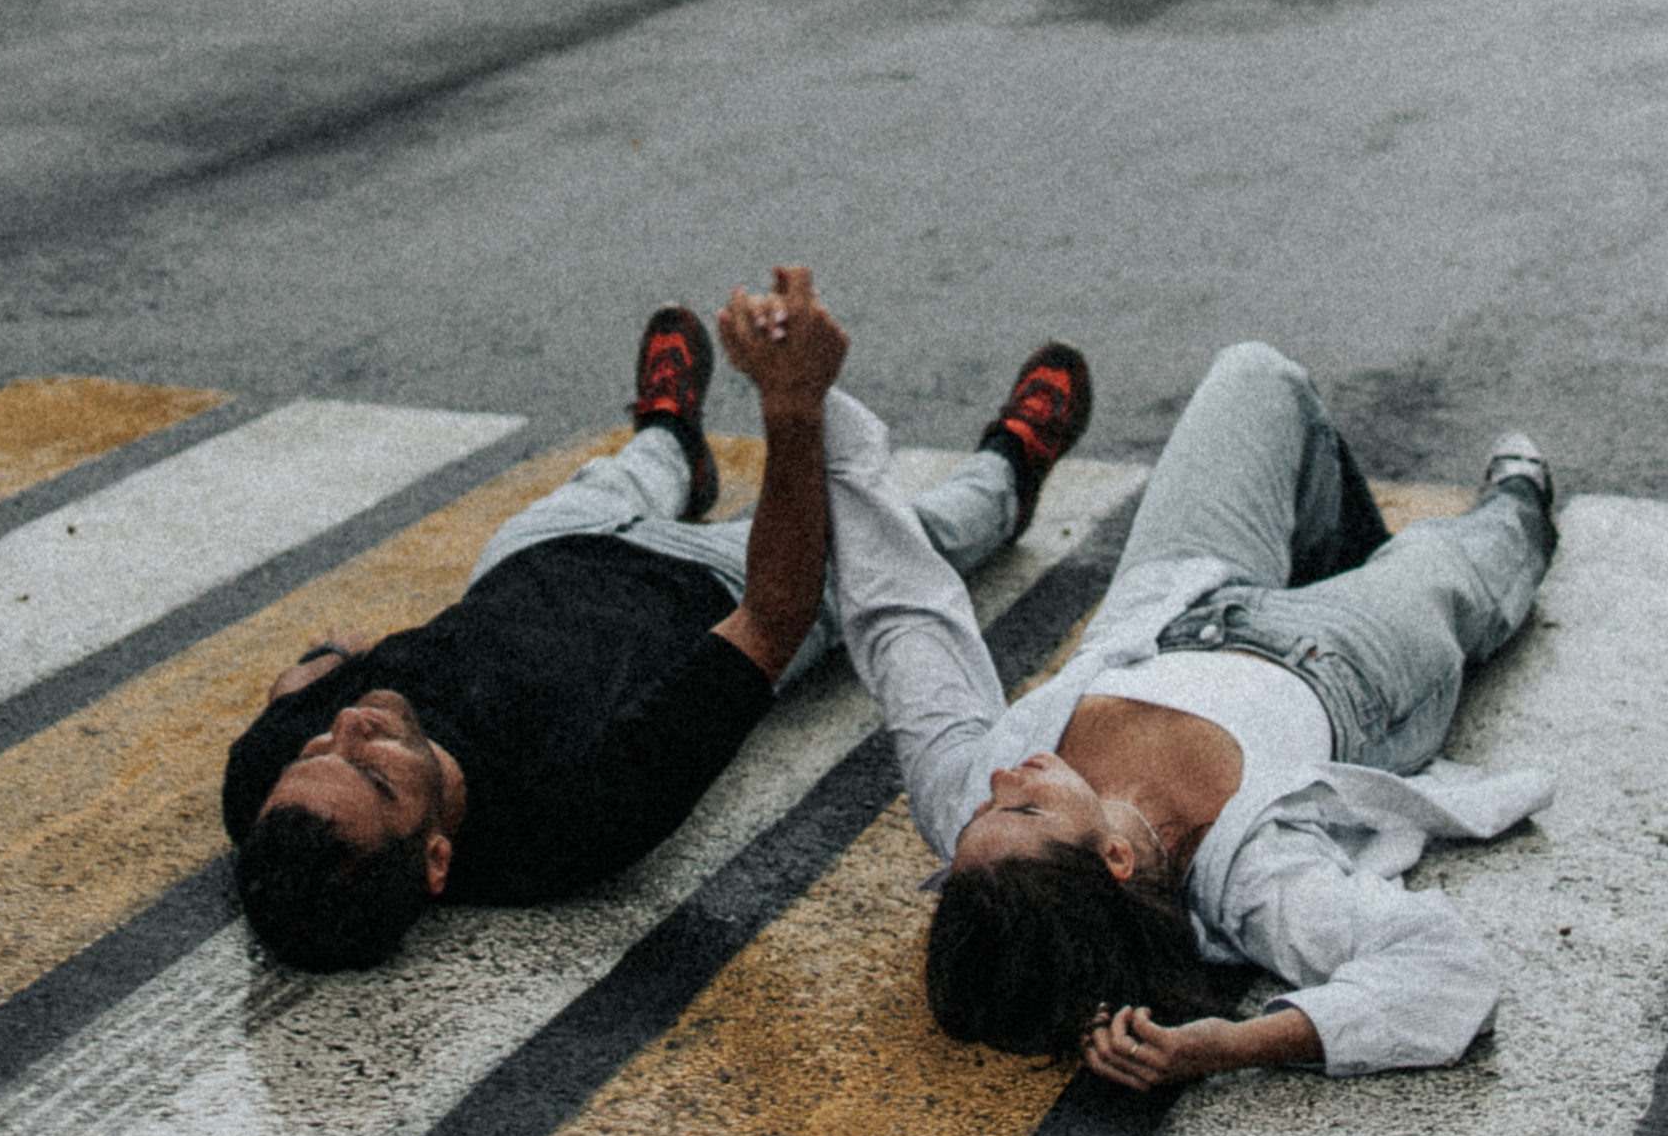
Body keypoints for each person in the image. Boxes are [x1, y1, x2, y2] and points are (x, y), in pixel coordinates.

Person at [222, 275, 1096, 971]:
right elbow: (771, 619)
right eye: (374, 775)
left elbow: (295, 696)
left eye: (316, 752)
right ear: (439, 861)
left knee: (625, 471)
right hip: (716, 588)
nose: (350, 727)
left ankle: (673, 436)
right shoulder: (573, 818)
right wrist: (794, 412)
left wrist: (326, 660)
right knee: (912, 536)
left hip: (537, 556)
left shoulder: (270, 797)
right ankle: (1008, 472)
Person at [823, 338, 1557, 1088]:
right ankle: (1523, 505)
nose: (1008, 776)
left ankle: (1334, 540)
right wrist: (1235, 1045)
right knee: (1468, 554)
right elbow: (1446, 969)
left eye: (987, 805)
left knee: (1257, 375)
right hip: (1352, 669)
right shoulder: (1258, 885)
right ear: (1115, 859)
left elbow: (906, 618)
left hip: (1177, 599)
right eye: (1029, 809)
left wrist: (809, 406)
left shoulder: (966, 807)